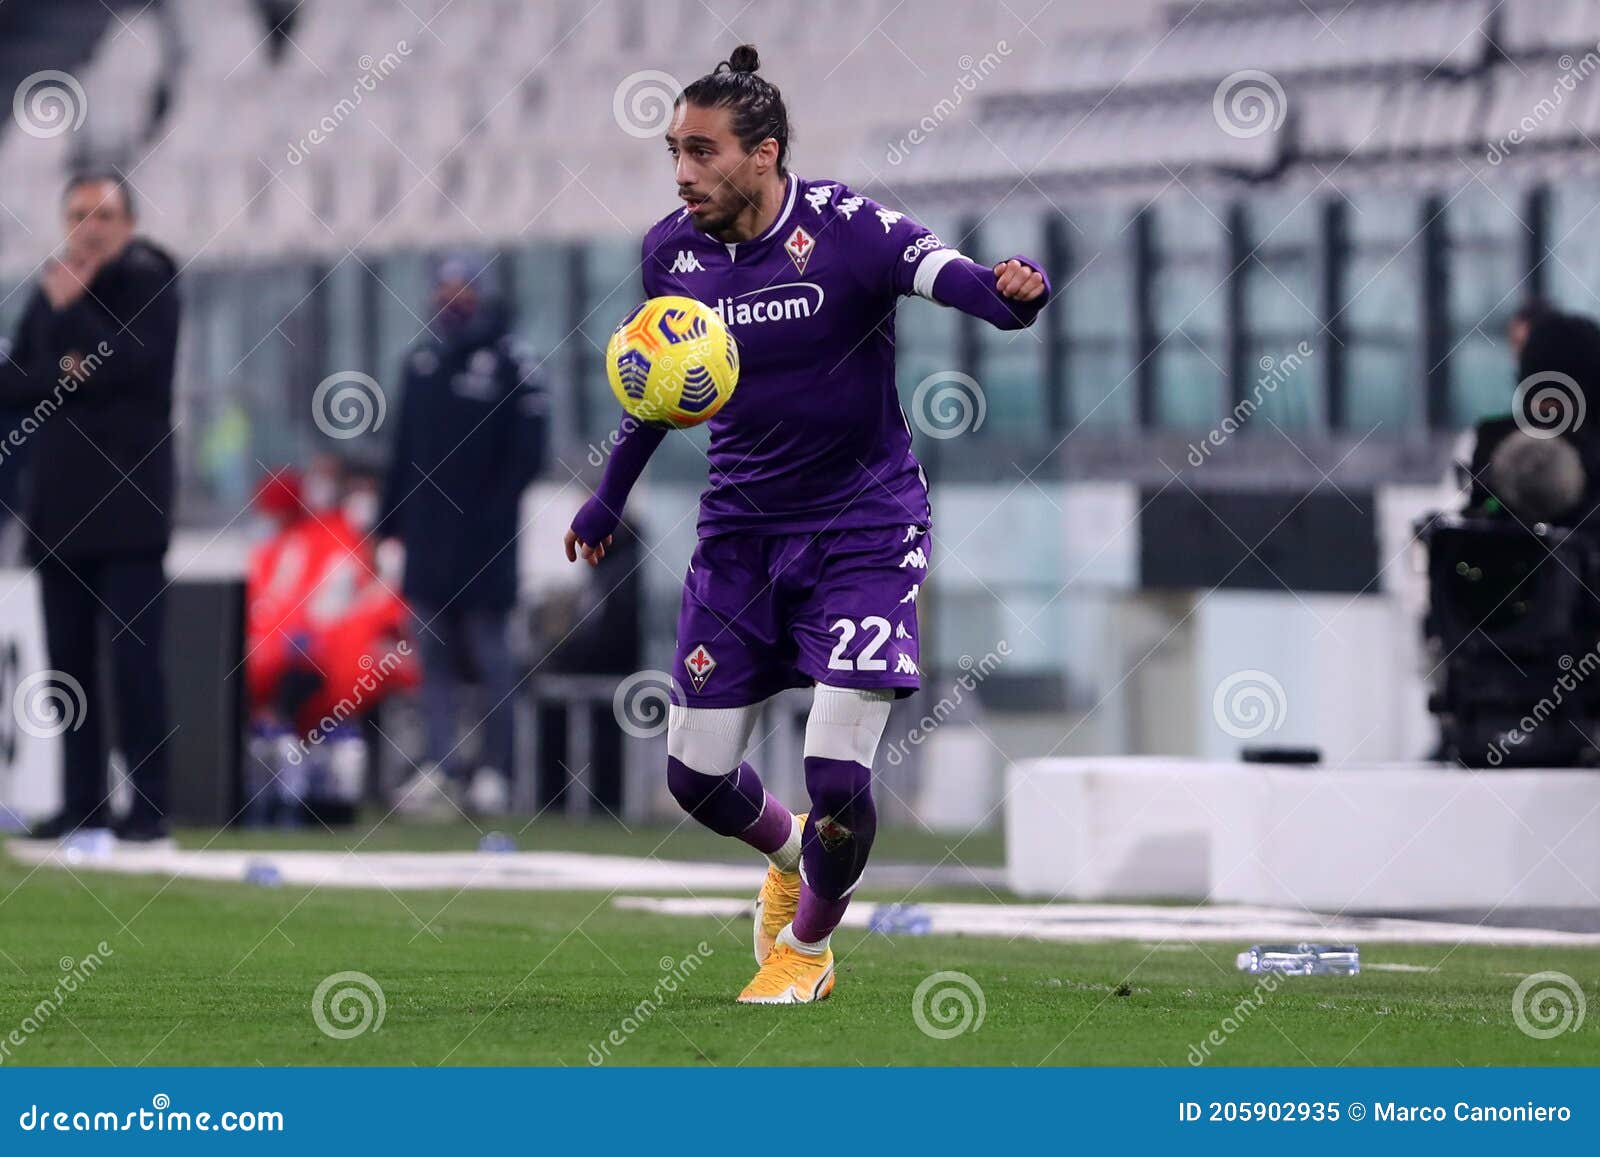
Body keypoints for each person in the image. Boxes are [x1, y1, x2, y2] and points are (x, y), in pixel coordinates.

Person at [564, 45, 1050, 1004]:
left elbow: (948, 273)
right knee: (696, 781)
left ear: (764, 153)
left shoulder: (845, 228)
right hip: (740, 535)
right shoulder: (672, 251)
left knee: (835, 771)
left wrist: (1007, 293)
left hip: (864, 527)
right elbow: (660, 381)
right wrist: (609, 491)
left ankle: (808, 945)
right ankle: (791, 858)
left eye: (702, 152)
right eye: (674, 152)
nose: (683, 173)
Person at [0, 173, 180, 843]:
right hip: (58, 515)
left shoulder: (149, 279)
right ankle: (82, 803)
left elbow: (135, 366)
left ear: (129, 223)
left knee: (135, 664)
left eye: (103, 214)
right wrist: (68, 369)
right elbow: (15, 379)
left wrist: (75, 324)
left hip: (131, 513)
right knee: (67, 668)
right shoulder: (52, 286)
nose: (90, 226)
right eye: (78, 214)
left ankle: (150, 804)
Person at [379, 257, 547, 816]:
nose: (451, 300)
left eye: (461, 290)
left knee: (492, 656)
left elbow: (526, 456)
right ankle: (440, 766)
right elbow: (401, 451)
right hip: (428, 541)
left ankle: (496, 772)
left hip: (486, 543)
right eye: (443, 289)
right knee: (433, 658)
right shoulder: (422, 361)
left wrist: (494, 524)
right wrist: (389, 525)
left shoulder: (511, 362)